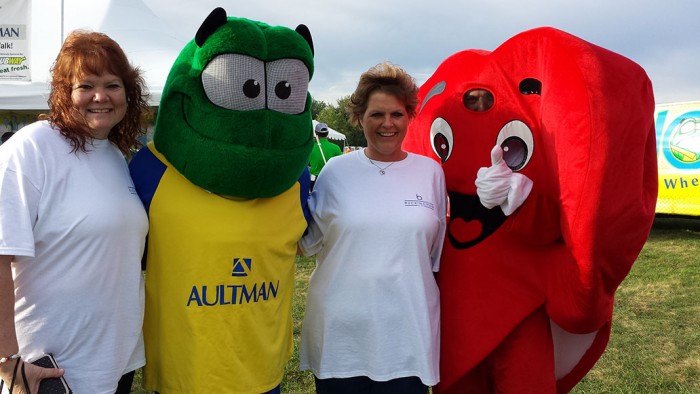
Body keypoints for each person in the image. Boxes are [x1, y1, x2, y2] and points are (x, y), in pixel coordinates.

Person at [0, 30, 150, 394]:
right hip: (51, 369)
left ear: (127, 94)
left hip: (117, 360)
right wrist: (7, 362)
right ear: (64, 93)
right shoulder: (33, 147)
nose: (101, 96)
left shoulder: (114, 155)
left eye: (113, 85)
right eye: (86, 85)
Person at [298, 61, 448, 393]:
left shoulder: (431, 173)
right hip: (341, 334)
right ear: (359, 118)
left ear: (409, 116)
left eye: (396, 114)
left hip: (406, 336)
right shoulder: (335, 171)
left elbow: (433, 256)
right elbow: (306, 242)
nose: (387, 124)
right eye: (376, 115)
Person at [309, 122, 342, 191]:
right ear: (327, 133)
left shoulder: (310, 147)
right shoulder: (335, 148)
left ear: (316, 132)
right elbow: (340, 165)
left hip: (314, 180)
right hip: (330, 179)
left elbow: (306, 164)